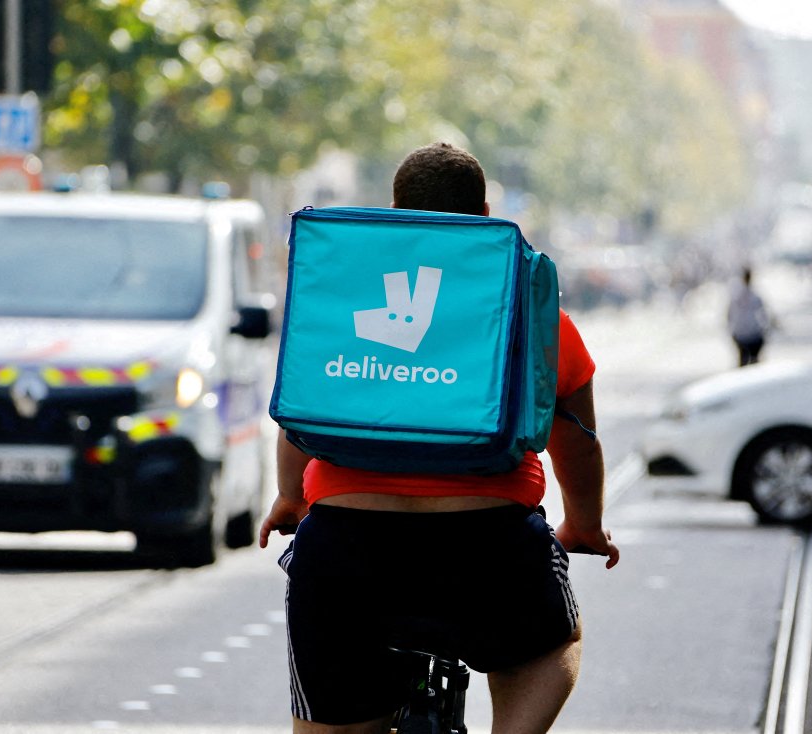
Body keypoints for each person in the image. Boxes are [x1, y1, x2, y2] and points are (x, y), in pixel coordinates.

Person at [259, 142, 618, 734]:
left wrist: (292, 499)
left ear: (396, 207)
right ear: (483, 211)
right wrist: (584, 523)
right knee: (550, 649)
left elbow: (303, 412)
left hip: (346, 545)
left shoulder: (348, 297)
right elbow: (576, 439)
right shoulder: (529, 307)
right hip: (488, 544)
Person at [727, 267, 770, 367]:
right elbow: (764, 315)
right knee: (751, 362)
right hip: (751, 334)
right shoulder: (753, 296)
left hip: (743, 334)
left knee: (745, 361)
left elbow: (729, 315)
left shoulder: (737, 295)